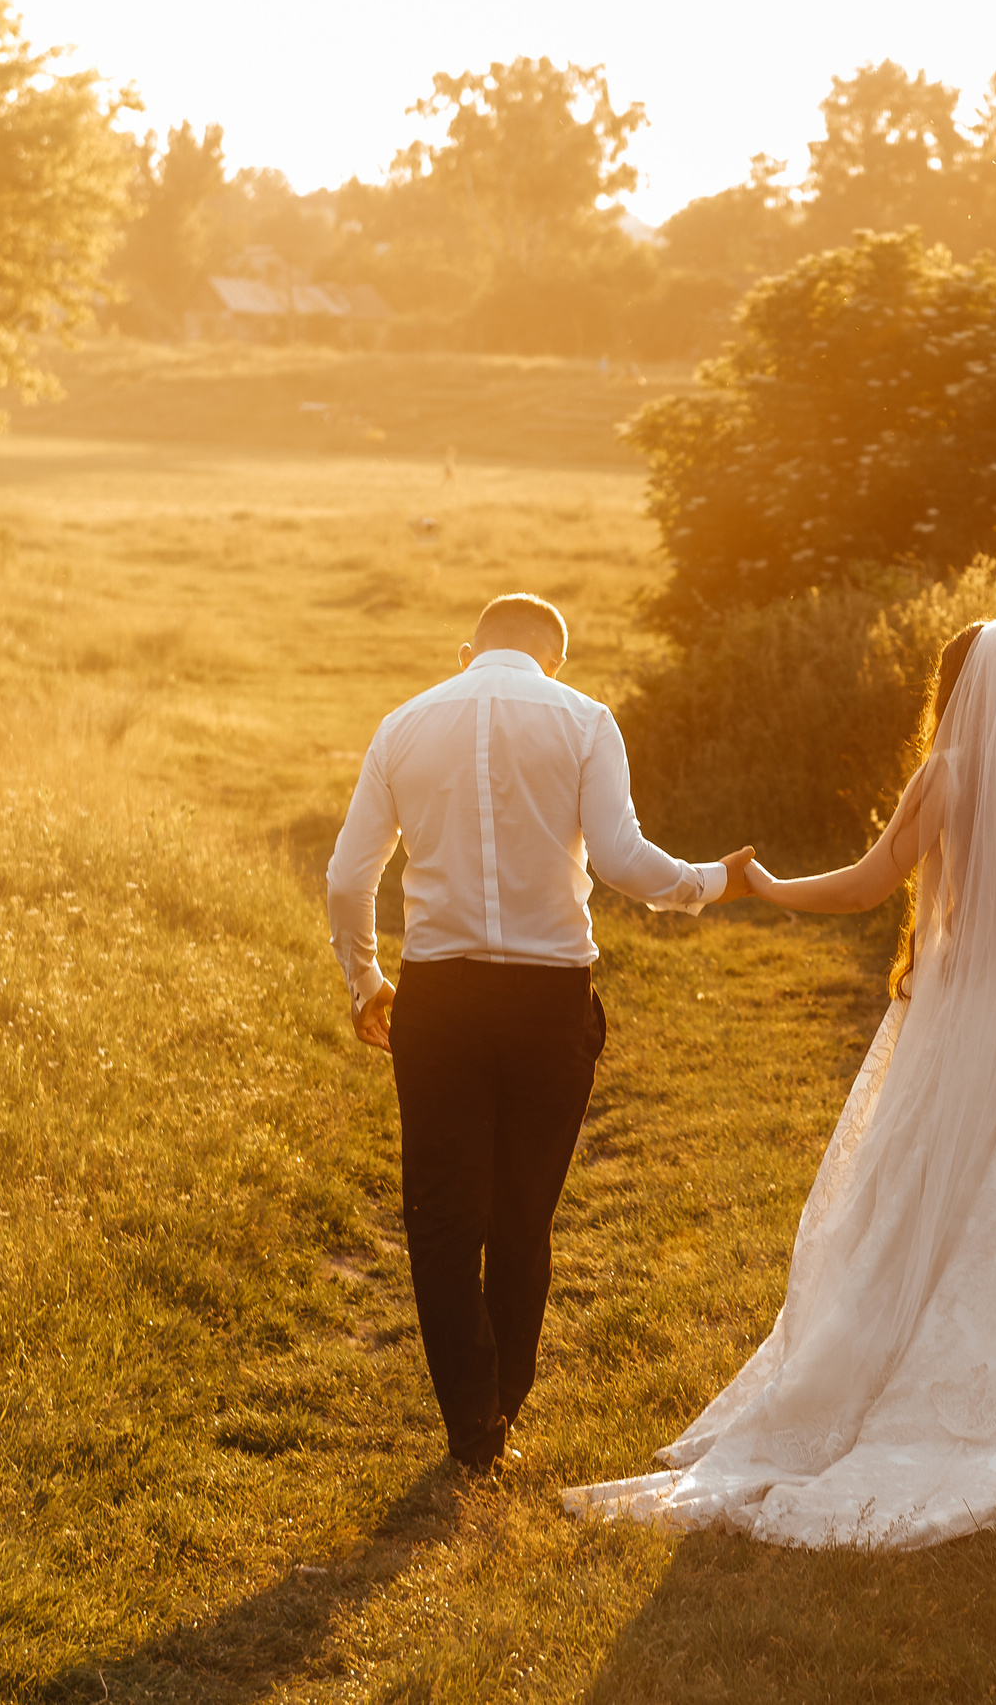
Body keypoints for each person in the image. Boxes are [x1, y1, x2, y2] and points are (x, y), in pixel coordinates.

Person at [563, 618, 996, 1547]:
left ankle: (889, 1383)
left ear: (962, 691)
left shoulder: (950, 778)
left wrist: (765, 885)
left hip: (962, 1024)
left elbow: (862, 887)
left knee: (918, 1205)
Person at [327, 593, 754, 1474]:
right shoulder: (586, 719)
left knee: (442, 1217)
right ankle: (503, 1411)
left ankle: (472, 1430)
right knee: (523, 1216)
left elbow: (346, 879)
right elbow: (626, 861)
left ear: (465, 652)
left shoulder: (402, 725)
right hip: (549, 1000)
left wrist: (368, 979)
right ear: (552, 660)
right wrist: (716, 879)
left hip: (438, 1001)